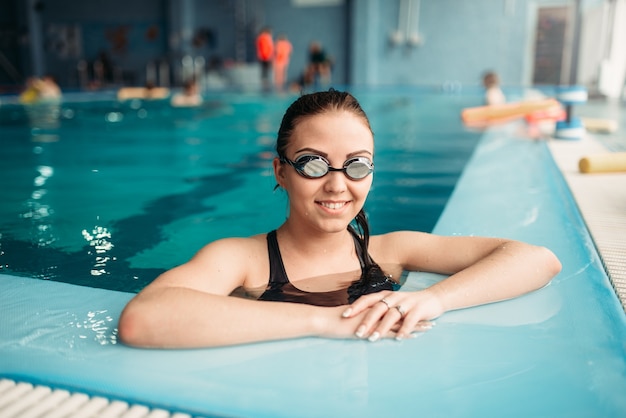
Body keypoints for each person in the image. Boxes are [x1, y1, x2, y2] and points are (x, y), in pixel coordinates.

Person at [118, 89, 561, 349]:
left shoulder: (391, 251)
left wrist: (432, 300)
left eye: (356, 164)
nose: (336, 185)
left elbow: (536, 259)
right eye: (312, 163)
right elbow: (144, 319)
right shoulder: (243, 260)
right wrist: (324, 321)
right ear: (280, 172)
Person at [256, 26, 274, 91]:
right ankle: (265, 83)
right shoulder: (267, 37)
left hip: (263, 55)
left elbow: (259, 47)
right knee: (266, 70)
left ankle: (264, 82)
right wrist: (271, 55)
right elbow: (270, 47)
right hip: (267, 56)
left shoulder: (260, 37)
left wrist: (259, 55)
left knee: (264, 70)